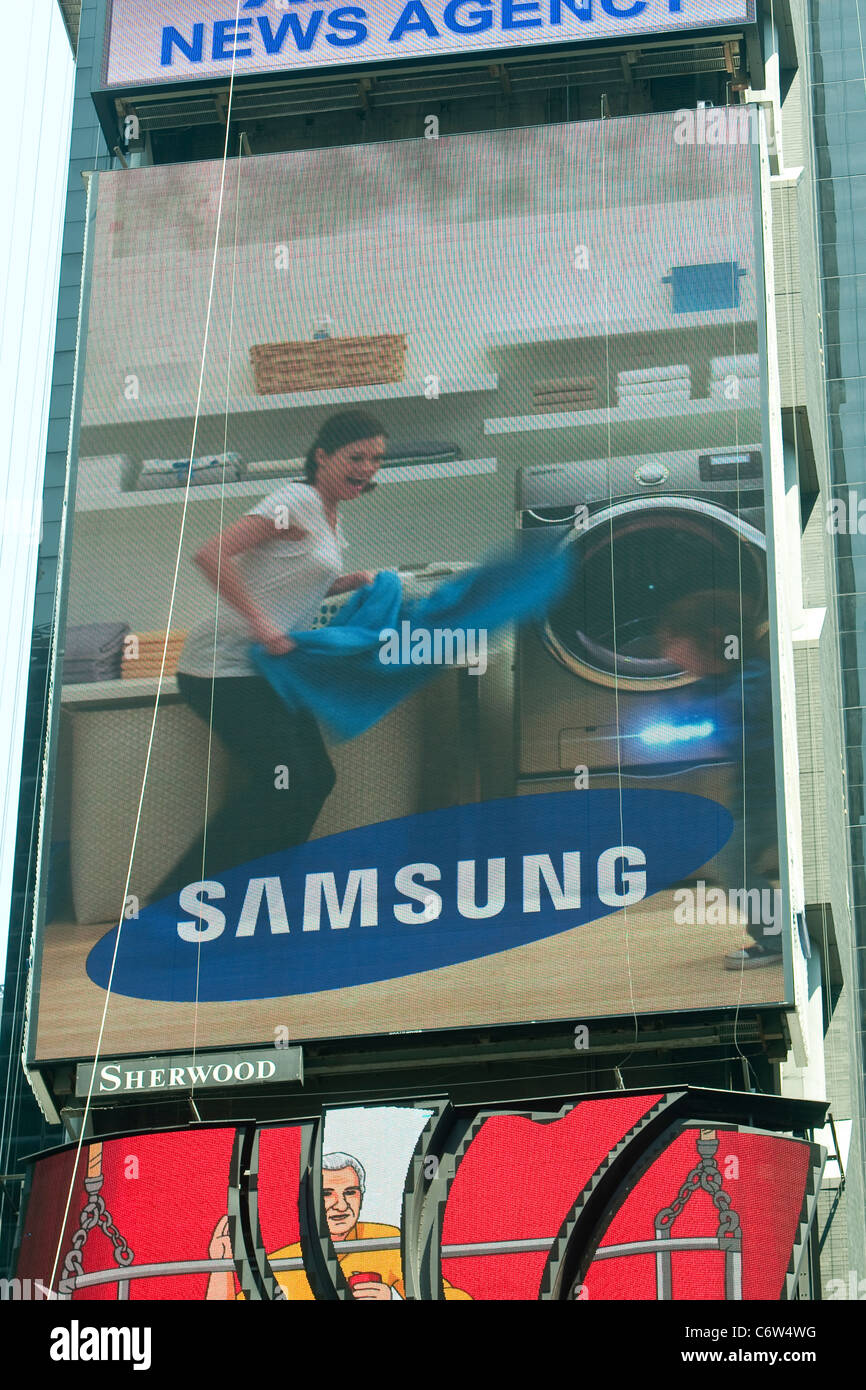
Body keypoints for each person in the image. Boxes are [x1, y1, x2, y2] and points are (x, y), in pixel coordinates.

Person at [152, 411, 386, 899]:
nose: (367, 468)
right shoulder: (295, 500)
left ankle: (261, 897)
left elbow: (293, 582)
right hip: (220, 667)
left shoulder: (330, 517)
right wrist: (263, 624)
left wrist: (350, 581)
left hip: (265, 672)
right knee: (285, 780)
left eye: (376, 459)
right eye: (356, 456)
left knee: (315, 777)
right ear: (322, 456)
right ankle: (177, 902)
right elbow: (210, 553)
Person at [655, 590, 782, 969]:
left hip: (771, 794)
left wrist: (700, 714)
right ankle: (778, 936)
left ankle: (775, 940)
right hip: (755, 793)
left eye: (674, 644)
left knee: (734, 864)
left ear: (712, 636)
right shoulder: (724, 681)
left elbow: (737, 709)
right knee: (736, 863)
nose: (669, 656)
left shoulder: (752, 676)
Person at [206, 1152, 471, 1301]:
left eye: (351, 1192)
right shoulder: (283, 1263)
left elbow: (452, 1296)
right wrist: (220, 1266)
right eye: (327, 1194)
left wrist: (393, 1298)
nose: (341, 1205)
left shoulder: (386, 1240)